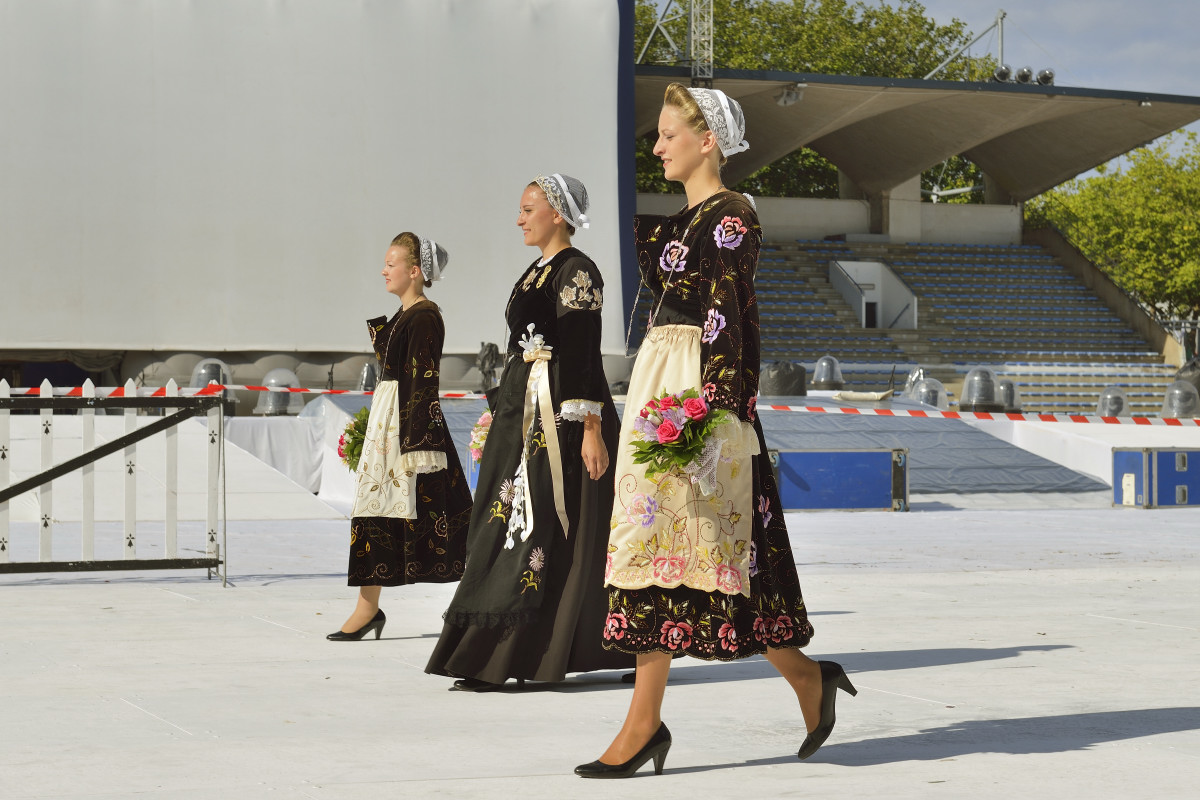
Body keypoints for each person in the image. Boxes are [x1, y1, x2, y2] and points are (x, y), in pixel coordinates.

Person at [575, 85, 855, 778]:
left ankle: (646, 726)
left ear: (708, 142)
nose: (658, 144)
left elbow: (731, 312)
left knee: (676, 550)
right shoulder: (683, 222)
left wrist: (713, 409)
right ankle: (806, 680)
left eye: (669, 133)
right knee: (709, 559)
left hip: (694, 392)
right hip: (661, 382)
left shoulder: (730, 217)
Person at [425, 174, 633, 688]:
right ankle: (496, 652)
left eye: (528, 208)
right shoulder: (534, 272)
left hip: (561, 413)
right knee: (502, 519)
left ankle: (519, 654)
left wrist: (590, 428)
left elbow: (583, 351)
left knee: (539, 523)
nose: (519, 218)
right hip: (524, 408)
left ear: (557, 213)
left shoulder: (577, 271)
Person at [328, 233, 473, 641]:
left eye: (391, 263)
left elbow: (423, 381)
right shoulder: (404, 316)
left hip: (410, 426)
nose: (383, 270)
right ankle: (367, 607)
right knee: (375, 513)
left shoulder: (425, 316)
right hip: (390, 420)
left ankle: (473, 604)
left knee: (442, 516)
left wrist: (417, 442)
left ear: (414, 271)